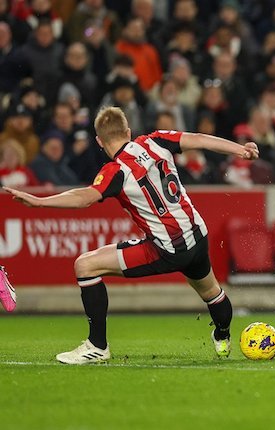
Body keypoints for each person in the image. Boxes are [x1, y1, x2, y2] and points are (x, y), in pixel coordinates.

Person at [3, 106, 259, 364]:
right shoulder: (156, 140)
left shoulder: (116, 170)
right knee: (211, 291)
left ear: (99, 141)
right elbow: (200, 139)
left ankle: (97, 346)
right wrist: (240, 150)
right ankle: (223, 336)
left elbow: (85, 198)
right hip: (197, 234)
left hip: (167, 249)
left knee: (85, 265)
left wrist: (40, 202)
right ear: (127, 131)